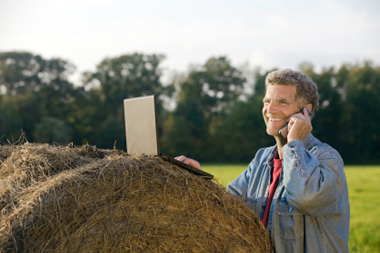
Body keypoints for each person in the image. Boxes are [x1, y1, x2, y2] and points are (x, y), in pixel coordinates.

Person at [176, 69, 350, 252]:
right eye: (267, 101)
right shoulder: (261, 159)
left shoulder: (326, 158)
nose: (270, 110)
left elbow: (306, 197)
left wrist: (294, 143)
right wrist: (197, 179)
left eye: (282, 102)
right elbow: (226, 208)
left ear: (305, 111)